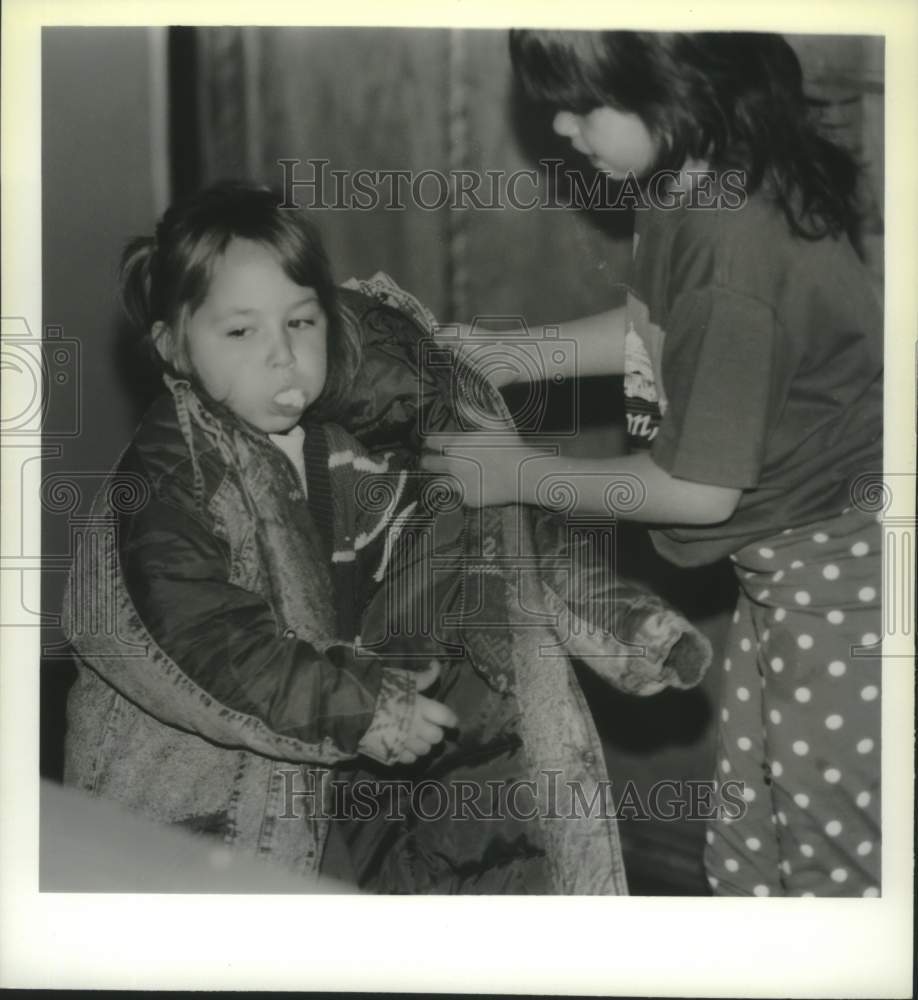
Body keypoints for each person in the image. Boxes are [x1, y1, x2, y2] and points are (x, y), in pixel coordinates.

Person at [422, 30, 883, 897]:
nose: (561, 126)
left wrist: (517, 473)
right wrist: (510, 354)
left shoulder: (735, 251)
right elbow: (657, 336)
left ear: (681, 90)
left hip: (847, 583)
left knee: (836, 858)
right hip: (793, 568)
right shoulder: (688, 181)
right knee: (758, 830)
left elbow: (699, 491)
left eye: (584, 104)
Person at [63, 181, 457, 879]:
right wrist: (362, 711)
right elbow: (205, 634)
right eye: (241, 332)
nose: (281, 354)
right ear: (174, 348)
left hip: (288, 801)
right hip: (176, 818)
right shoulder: (172, 473)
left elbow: (403, 540)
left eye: (300, 322)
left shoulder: (324, 448)